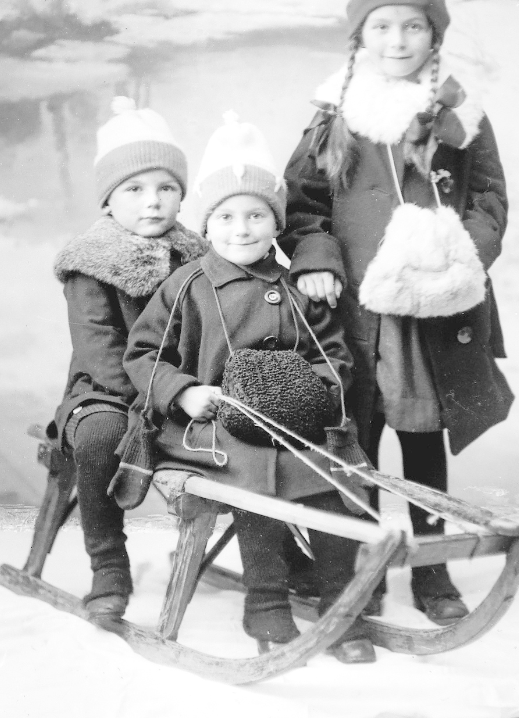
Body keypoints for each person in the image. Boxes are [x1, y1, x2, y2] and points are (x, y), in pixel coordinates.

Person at [279, 0, 514, 625]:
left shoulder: (459, 115)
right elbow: (302, 207)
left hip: (429, 307)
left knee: (420, 438)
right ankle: (361, 569)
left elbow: (491, 197)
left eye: (413, 25)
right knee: (353, 438)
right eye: (381, 26)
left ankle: (431, 567)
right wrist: (315, 261)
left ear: (433, 35)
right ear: (359, 36)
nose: (397, 39)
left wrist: (463, 253)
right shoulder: (334, 114)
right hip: (352, 309)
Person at [124, 113, 376, 664]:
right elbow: (143, 355)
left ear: (275, 221)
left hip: (290, 422)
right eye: (228, 217)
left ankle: (341, 604)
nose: (243, 229)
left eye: (257, 215)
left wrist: (311, 394)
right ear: (208, 226)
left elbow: (333, 358)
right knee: (252, 478)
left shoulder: (294, 290)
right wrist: (185, 391)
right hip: (208, 427)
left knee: (332, 482)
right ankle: (264, 601)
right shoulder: (187, 287)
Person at [48, 96, 207, 622]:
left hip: (183, 390)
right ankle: (108, 564)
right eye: (134, 189)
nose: (152, 201)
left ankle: (270, 560)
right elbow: (101, 349)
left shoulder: (202, 255)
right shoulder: (90, 262)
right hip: (107, 391)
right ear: (108, 200)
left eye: (167, 188)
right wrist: (161, 398)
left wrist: (187, 392)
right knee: (98, 436)